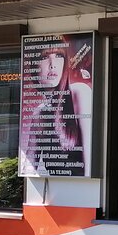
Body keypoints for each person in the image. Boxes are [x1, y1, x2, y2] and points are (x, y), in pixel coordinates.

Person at [20, 37, 93, 177]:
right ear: (34, 66)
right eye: (44, 57)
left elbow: (90, 160)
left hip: (83, 187)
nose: (52, 65)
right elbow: (30, 166)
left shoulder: (79, 92)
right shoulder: (39, 113)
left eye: (59, 56)